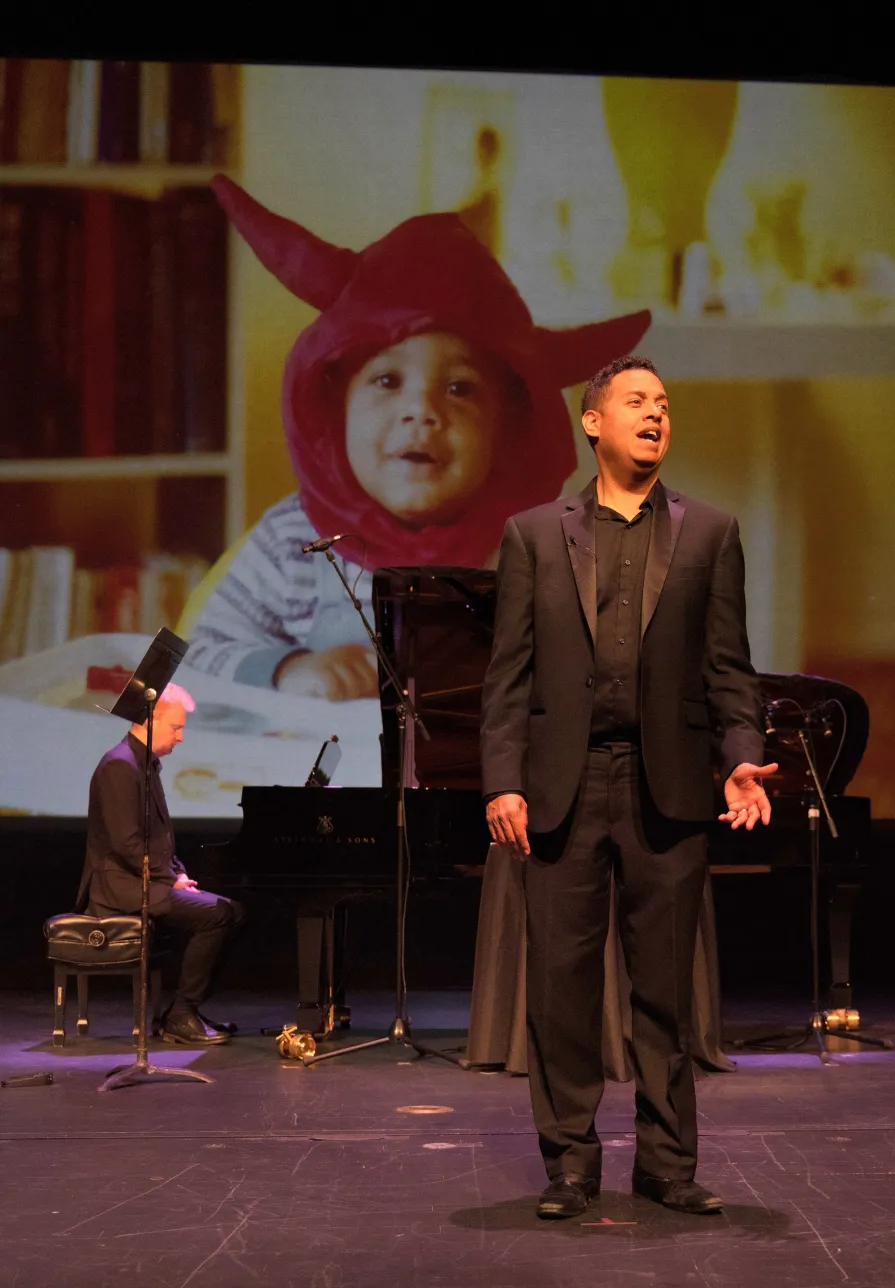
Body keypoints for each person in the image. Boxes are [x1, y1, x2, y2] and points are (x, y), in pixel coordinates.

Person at [480, 355, 779, 1219]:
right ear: (593, 421)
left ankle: (666, 1164)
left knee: (663, 992)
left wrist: (741, 753)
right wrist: (503, 782)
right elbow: (508, 675)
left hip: (669, 791)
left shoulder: (710, 533)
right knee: (562, 990)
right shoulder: (534, 534)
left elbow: (730, 670)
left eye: (665, 405)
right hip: (561, 791)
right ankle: (570, 1165)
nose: (656, 415)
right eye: (638, 402)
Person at [184, 175, 650, 700]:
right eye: (387, 381)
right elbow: (196, 656)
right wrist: (286, 669)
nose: (422, 412)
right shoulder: (293, 544)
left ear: (507, 428)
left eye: (459, 388)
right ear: (335, 410)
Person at [78, 683, 244, 1045]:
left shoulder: (145, 764)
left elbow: (160, 838)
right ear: (149, 720)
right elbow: (127, 844)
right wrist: (170, 881)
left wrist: (179, 872)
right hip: (120, 887)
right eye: (176, 727)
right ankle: (181, 1015)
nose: (181, 737)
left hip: (146, 879)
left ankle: (185, 1011)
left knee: (232, 911)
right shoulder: (120, 766)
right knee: (218, 914)